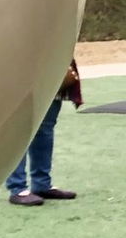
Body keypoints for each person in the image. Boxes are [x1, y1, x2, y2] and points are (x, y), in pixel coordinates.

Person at [6, 59, 81, 207]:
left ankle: (42, 184)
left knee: (45, 128)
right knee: (18, 129)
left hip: (52, 65)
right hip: (20, 66)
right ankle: (17, 187)